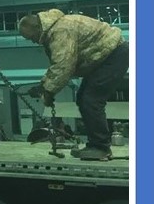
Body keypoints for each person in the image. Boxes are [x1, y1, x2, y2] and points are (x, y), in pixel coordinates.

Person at [18, 9, 129, 161]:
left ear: (37, 27)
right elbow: (58, 65)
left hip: (112, 56)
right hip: (104, 58)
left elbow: (64, 66)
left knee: (91, 100)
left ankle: (100, 147)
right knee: (83, 98)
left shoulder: (60, 30)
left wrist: (48, 91)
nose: (33, 41)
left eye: (31, 37)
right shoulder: (55, 29)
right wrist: (43, 86)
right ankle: (96, 145)